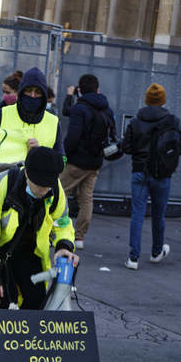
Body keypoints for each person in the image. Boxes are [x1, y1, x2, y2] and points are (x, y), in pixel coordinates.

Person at [0, 146, 77, 311]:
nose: (43, 192)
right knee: (0, 303)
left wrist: (64, 246)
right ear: (26, 173)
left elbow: (62, 222)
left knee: (36, 301)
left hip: (30, 252)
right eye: (38, 186)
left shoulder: (55, 189)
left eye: (47, 187)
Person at [121, 82, 181, 270]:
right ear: (163, 100)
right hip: (162, 173)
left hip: (140, 171)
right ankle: (156, 252)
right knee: (159, 215)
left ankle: (133, 258)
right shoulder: (173, 121)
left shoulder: (136, 121)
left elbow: (126, 147)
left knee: (137, 215)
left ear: (146, 99)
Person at [60, 73, 116, 249]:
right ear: (97, 89)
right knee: (86, 199)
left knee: (60, 194)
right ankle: (79, 238)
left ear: (80, 90)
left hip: (76, 162)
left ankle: (56, 232)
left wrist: (64, 155)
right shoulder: (107, 109)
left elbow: (72, 137)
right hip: (95, 163)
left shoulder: (79, 109)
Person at [0, 67, 64, 155]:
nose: (33, 96)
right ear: (21, 92)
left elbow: (62, 159)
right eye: (28, 91)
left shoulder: (53, 122)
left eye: (38, 92)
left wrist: (41, 153)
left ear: (44, 95)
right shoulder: (0, 115)